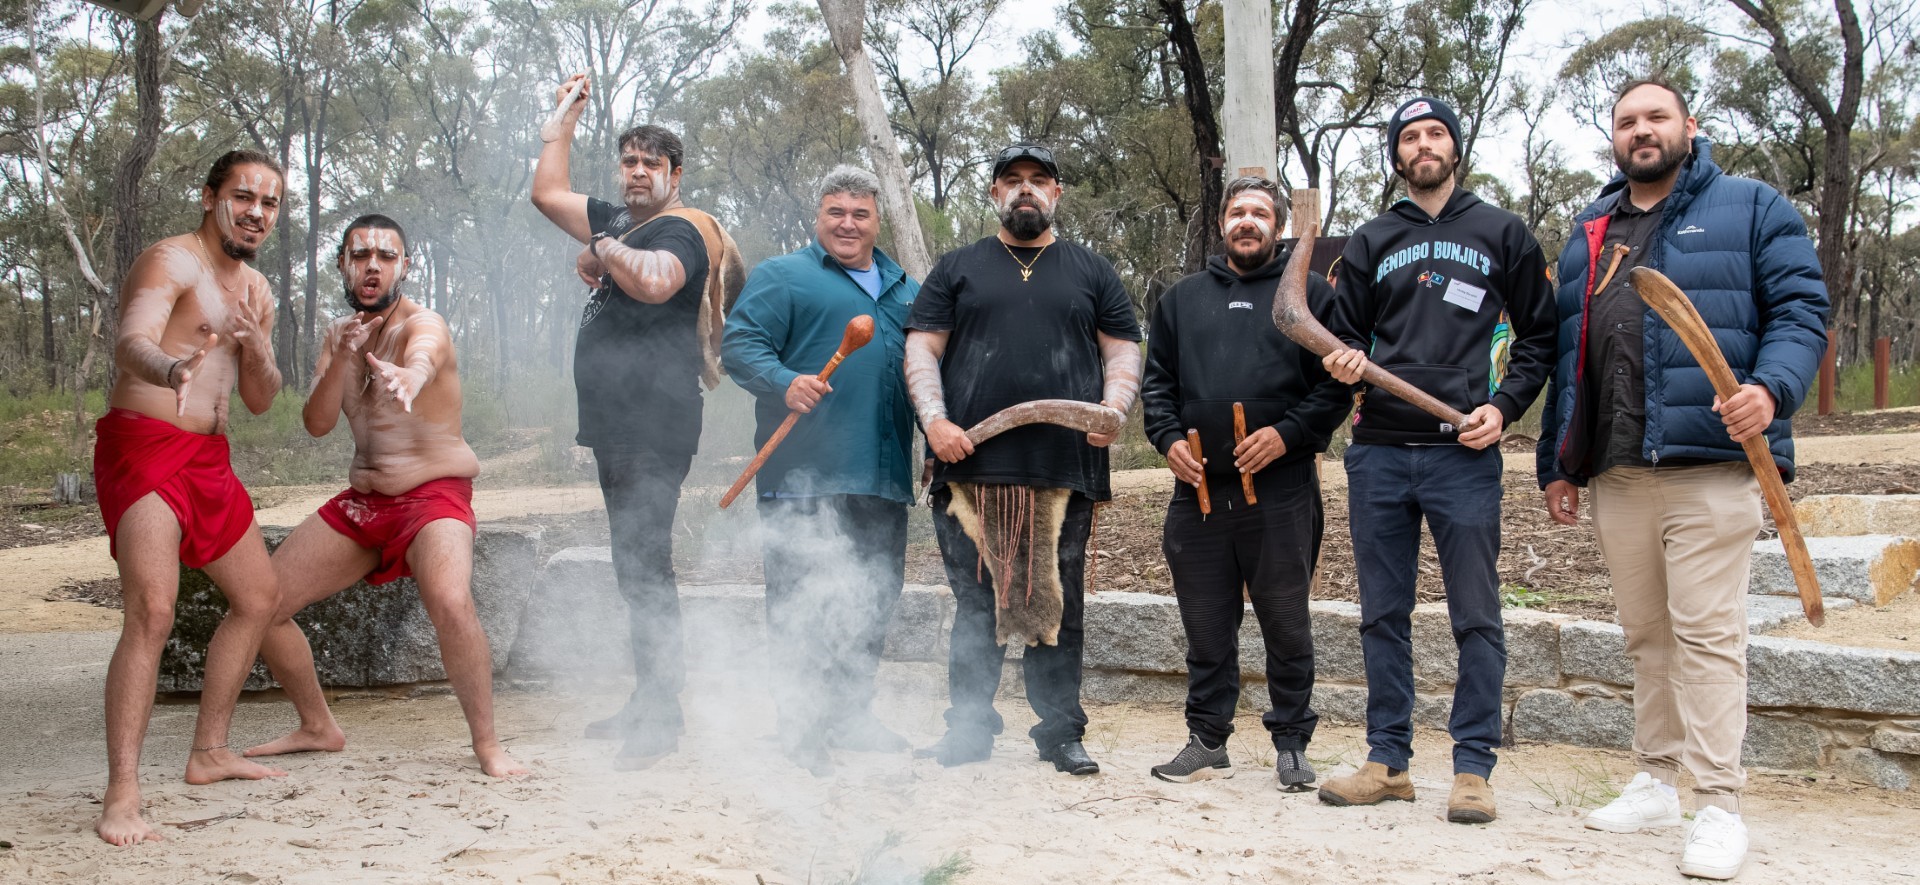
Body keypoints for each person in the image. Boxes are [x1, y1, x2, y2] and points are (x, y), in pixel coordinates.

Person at [1538, 80, 1827, 880]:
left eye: (1656, 117)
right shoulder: (1591, 230)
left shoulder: (1753, 206)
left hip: (1712, 467)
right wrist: (1558, 465)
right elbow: (1571, 354)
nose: (1642, 130)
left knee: (1706, 637)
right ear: (1614, 137)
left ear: (1689, 127)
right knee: (1646, 636)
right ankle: (1656, 779)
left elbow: (1802, 311)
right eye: (1627, 121)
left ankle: (1718, 803)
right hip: (1619, 470)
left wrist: (1770, 389)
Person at [1316, 97, 1556, 823]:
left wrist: (1504, 406)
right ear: (1397, 155)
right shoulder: (1370, 239)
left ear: (1456, 146)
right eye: (1410, 136)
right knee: (1382, 614)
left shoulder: (1501, 231)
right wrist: (1344, 361)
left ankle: (1473, 767)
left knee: (1476, 613)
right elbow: (1341, 337)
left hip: (1464, 451)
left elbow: (1540, 338)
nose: (1423, 145)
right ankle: (1388, 760)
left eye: (1436, 133)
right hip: (1381, 452)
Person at [239, 214, 528, 779]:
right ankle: (318, 725)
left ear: (405, 265)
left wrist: (410, 377)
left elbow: (424, 355)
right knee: (262, 605)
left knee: (449, 600)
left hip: (432, 498)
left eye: (387, 256)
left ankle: (488, 744)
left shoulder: (426, 323)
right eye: (360, 254)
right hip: (364, 502)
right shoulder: (337, 334)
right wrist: (345, 356)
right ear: (343, 264)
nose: (373, 265)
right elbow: (318, 424)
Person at [903, 143, 1143, 775]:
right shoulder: (958, 267)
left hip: (1063, 470)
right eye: (1013, 181)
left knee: (1058, 605)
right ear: (994, 194)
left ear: (1057, 194)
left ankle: (1060, 732)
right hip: (969, 467)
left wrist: (1114, 409)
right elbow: (922, 351)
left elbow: (1121, 353)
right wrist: (936, 423)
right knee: (976, 608)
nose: (1027, 190)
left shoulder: (1092, 271)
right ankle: (969, 730)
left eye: (1039, 181)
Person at [530, 75, 731, 768]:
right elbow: (545, 193)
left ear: (674, 175)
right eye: (630, 162)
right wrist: (563, 121)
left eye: (652, 164)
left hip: (658, 422)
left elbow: (655, 280)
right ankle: (647, 696)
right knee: (630, 564)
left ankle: (662, 715)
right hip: (612, 423)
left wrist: (600, 249)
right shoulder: (620, 218)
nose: (638, 172)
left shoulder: (685, 227)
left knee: (646, 565)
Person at [91, 150, 291, 844]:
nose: (256, 213)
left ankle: (209, 750)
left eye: (269, 203)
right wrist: (174, 365)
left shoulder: (257, 292)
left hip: (208, 457)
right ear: (209, 197)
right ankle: (123, 789)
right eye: (243, 197)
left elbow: (262, 400)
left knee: (259, 596)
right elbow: (130, 343)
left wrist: (255, 345)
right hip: (144, 443)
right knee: (151, 608)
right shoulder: (170, 261)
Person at [1139, 176, 1351, 789]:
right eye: (1237, 212)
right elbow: (1158, 386)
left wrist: (1287, 435)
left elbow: (1336, 384)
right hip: (1198, 493)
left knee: (1286, 620)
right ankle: (1207, 738)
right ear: (1223, 223)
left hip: (1280, 492)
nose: (1247, 222)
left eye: (1261, 213)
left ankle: (1291, 743)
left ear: (1279, 226)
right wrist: (1167, 440)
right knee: (1206, 625)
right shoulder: (1181, 300)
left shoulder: (1308, 294)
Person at [721, 166, 919, 776]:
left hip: (883, 476)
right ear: (818, 216)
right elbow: (738, 345)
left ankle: (852, 715)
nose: (848, 224)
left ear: (877, 221)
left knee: (874, 599)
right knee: (800, 602)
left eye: (860, 214)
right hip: (805, 476)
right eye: (836, 212)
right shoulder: (784, 277)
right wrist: (785, 382)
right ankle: (801, 726)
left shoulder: (904, 289)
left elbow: (923, 373)